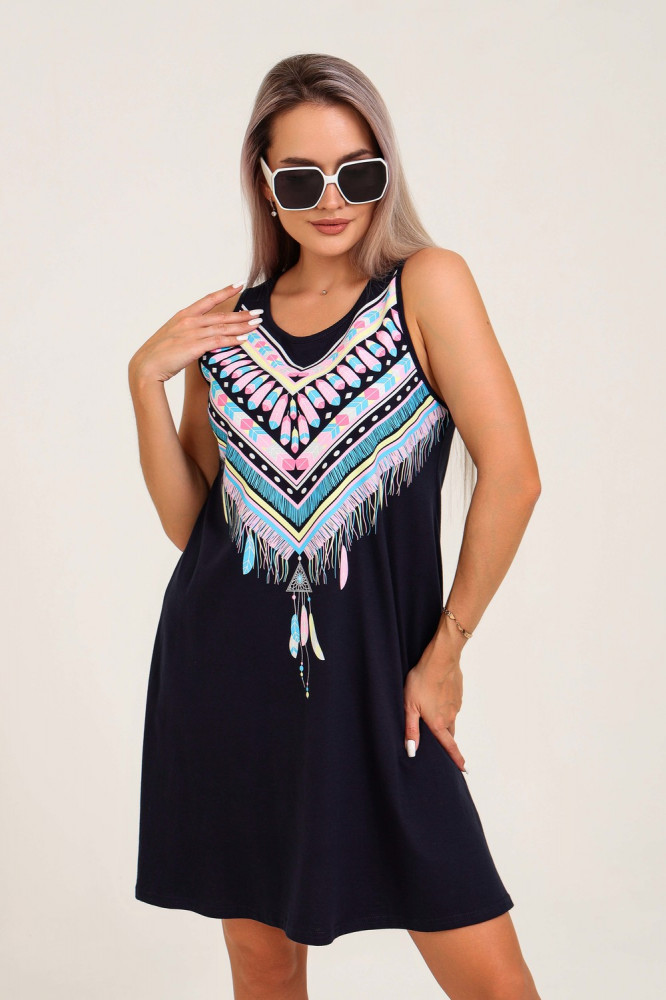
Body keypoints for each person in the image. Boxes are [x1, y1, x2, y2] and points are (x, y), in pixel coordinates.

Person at [129, 53, 542, 1000]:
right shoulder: (228, 328)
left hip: (382, 692)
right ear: (264, 183)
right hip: (227, 685)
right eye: (301, 178)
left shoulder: (427, 284)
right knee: (264, 968)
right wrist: (144, 382)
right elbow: (194, 526)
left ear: (384, 173)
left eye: (356, 173)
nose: (331, 200)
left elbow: (514, 477)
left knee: (494, 979)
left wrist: (446, 653)